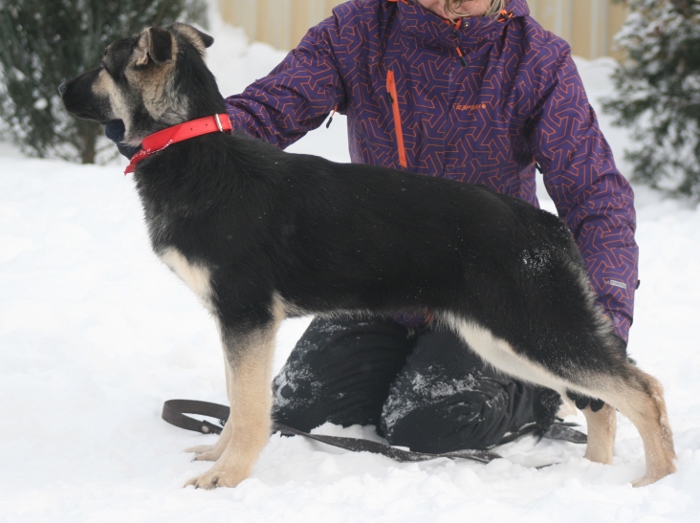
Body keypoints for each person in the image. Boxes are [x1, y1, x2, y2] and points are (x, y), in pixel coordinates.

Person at [109, 0, 638, 452]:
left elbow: (594, 194)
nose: (453, 3)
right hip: (377, 276)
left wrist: (603, 326)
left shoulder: (535, 59)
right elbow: (271, 109)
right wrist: (176, 136)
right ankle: (411, 361)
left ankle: (541, 392)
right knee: (302, 409)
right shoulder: (360, 30)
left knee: (431, 422)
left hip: (485, 283)